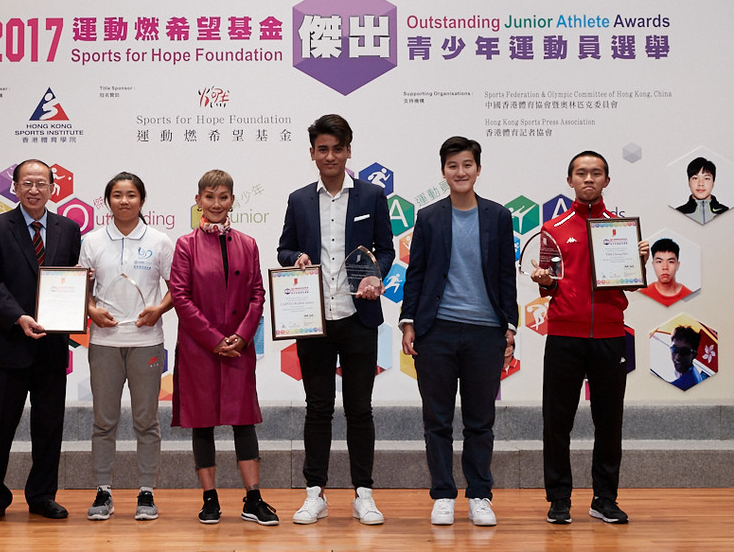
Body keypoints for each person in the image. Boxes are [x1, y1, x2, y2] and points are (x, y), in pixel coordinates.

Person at [277, 114, 394, 526]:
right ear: (312, 154)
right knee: (318, 408)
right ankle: (315, 493)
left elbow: (386, 249)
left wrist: (377, 274)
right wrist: (297, 259)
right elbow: (283, 250)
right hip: (313, 319)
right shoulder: (298, 199)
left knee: (360, 408)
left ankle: (364, 493)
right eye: (322, 149)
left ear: (348, 151)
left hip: (359, 316)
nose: (330, 156)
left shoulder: (371, 196)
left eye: (337, 148)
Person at [400, 136, 517, 527]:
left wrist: (509, 328)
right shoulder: (429, 216)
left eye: (467, 165)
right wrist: (409, 322)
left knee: (480, 420)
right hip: (438, 331)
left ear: (478, 169)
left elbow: (505, 277)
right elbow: (415, 273)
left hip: (485, 332)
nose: (460, 172)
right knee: (436, 419)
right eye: (453, 166)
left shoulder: (499, 217)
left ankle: (480, 494)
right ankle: (444, 494)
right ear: (443, 172)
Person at [531, 150, 648, 525]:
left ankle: (605, 499)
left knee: (609, 421)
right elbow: (549, 286)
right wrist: (545, 282)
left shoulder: (622, 228)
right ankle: (559, 499)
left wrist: (637, 262)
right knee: (557, 421)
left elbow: (627, 286)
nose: (588, 179)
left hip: (611, 336)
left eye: (596, 173)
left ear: (607, 181)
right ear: (570, 181)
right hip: (565, 334)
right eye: (581, 173)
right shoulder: (554, 227)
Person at [169, 169, 279, 526]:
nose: (216, 204)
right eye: (209, 197)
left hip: (238, 348)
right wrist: (214, 339)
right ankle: (210, 499)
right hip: (200, 349)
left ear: (232, 201)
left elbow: (257, 294)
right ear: (198, 200)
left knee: (243, 421)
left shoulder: (247, 244)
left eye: (223, 197)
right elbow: (181, 297)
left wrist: (243, 336)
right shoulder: (186, 245)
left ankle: (253, 499)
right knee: (202, 424)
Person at [0, 159, 81, 524]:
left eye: (41, 183)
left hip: (51, 347)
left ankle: (41, 496)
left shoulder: (68, 228)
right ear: (14, 188)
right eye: (27, 183)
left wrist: (84, 283)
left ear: (53, 187)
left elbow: (65, 280)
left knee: (49, 428)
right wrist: (18, 317)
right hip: (7, 344)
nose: (34, 189)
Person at [78, 172, 174, 521]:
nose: (124, 201)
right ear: (108, 202)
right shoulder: (91, 241)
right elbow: (78, 289)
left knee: (146, 421)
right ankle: (103, 491)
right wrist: (90, 310)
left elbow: (177, 287)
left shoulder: (160, 241)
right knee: (104, 421)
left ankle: (146, 492)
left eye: (131, 195)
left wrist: (158, 310)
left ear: (142, 201)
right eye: (117, 195)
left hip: (147, 341)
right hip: (104, 342)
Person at [640, 238, 692, 306]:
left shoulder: (689, 296)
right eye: (659, 261)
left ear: (677, 265)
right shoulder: (643, 294)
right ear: (653, 264)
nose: (665, 267)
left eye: (670, 262)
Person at [675, 157, 728, 224]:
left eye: (706, 178)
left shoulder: (726, 213)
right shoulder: (678, 214)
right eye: (695, 178)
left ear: (713, 183)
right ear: (689, 182)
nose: (700, 183)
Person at [669, 326, 708, 391]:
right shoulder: (690, 370)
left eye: (684, 351)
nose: (677, 356)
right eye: (674, 349)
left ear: (694, 355)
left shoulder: (684, 385)